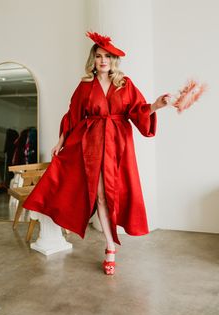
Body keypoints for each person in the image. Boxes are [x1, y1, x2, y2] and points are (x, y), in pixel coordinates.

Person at [23, 31, 169, 275]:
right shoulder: (85, 85)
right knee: (99, 195)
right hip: (90, 144)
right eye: (99, 56)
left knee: (118, 193)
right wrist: (60, 141)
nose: (103, 60)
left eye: (108, 57)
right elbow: (73, 115)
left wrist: (156, 105)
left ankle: (112, 241)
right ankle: (110, 246)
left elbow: (138, 110)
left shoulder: (125, 84)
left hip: (118, 144)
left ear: (114, 61)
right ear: (94, 59)